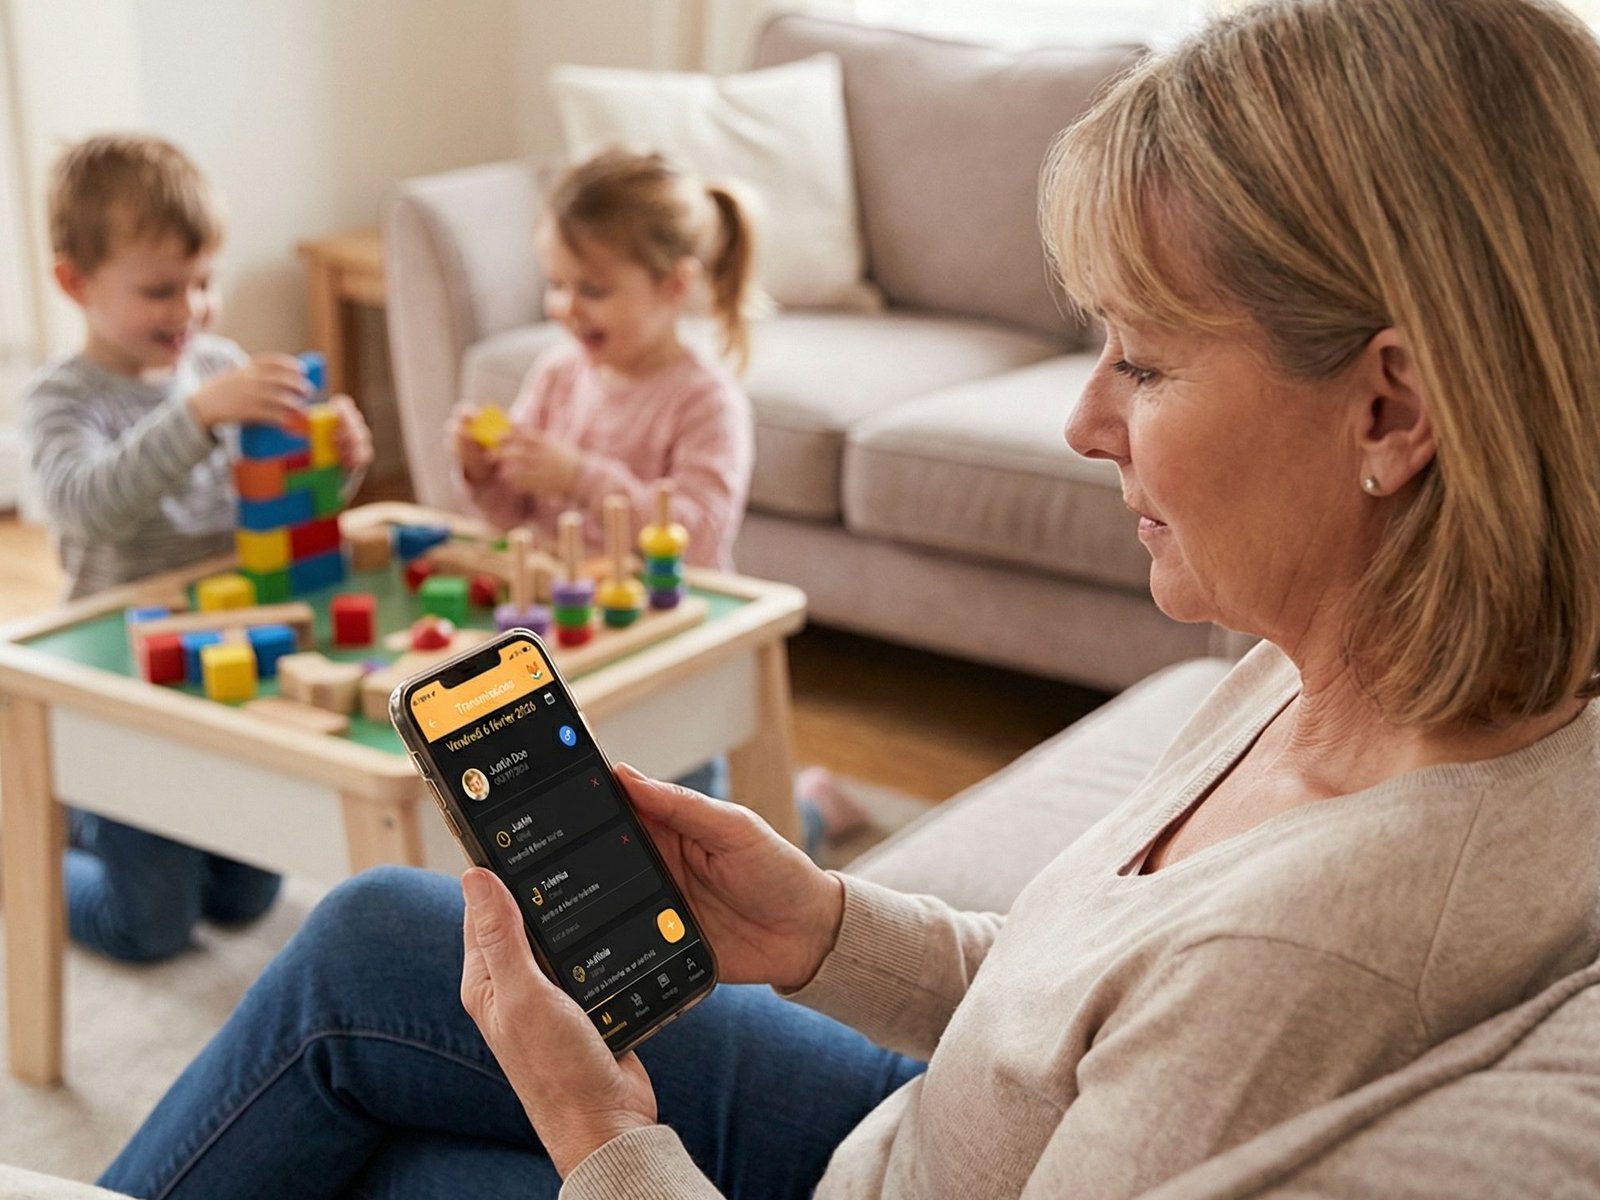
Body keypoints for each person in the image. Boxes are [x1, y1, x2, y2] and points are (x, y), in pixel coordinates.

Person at [100, 0, 1600, 1194]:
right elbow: (1074, 1013)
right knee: (375, 940)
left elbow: (1171, 1015)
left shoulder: (1300, 965)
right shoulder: (1334, 661)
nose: (1085, 421)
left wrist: (598, 1135)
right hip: (928, 1129)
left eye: (1141, 359)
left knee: (380, 1129)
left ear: (1391, 414)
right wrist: (821, 925)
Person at [21, 134, 375, 963]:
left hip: (226, 663)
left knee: (247, 899)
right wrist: (195, 417)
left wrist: (337, 465)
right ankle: (37, 834)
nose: (191, 309)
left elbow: (278, 510)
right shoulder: (59, 399)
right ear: (74, 283)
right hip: (122, 677)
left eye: (204, 282)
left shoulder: (220, 368)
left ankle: (86, 811)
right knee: (150, 927)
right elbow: (84, 508)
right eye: (159, 290)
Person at [449, 148, 756, 575]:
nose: (566, 307)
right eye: (556, 284)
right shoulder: (556, 375)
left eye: (593, 290)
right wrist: (485, 473)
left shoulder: (707, 401)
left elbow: (699, 540)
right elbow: (511, 518)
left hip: (665, 613)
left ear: (674, 285)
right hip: (567, 604)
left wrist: (581, 478)